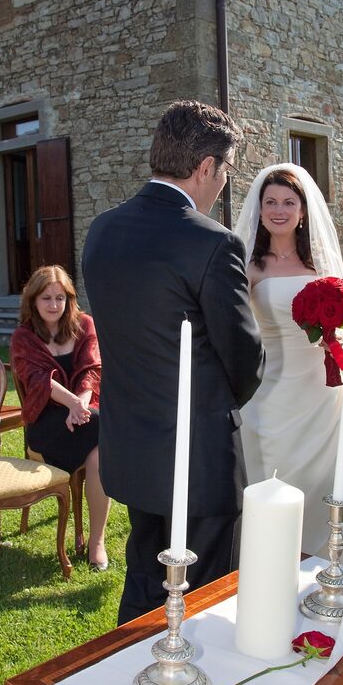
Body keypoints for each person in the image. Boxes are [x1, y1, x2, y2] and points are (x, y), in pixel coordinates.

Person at [82, 99, 265, 623]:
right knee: (204, 596)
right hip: (200, 457)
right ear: (206, 167)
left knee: (143, 576)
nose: (224, 184)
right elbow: (244, 361)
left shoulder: (102, 230)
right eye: (226, 171)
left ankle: (125, 679)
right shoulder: (211, 242)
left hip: (132, 448)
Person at [233, 164, 343, 586]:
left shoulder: (321, 266)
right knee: (274, 488)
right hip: (270, 397)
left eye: (289, 203)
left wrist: (335, 331)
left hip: (321, 394)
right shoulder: (249, 268)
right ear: (259, 211)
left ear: (302, 211)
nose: (279, 210)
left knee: (333, 487)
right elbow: (240, 331)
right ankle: (275, 578)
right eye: (271, 202)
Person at [10, 265, 111, 570]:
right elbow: (38, 380)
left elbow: (93, 369)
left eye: (60, 298)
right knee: (103, 427)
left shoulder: (85, 325)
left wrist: (79, 403)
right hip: (44, 424)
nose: (54, 305)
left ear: (69, 300)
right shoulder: (23, 337)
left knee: (98, 456)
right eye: (46, 298)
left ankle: (97, 542)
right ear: (33, 301)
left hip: (82, 417)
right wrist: (72, 405)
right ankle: (94, 542)